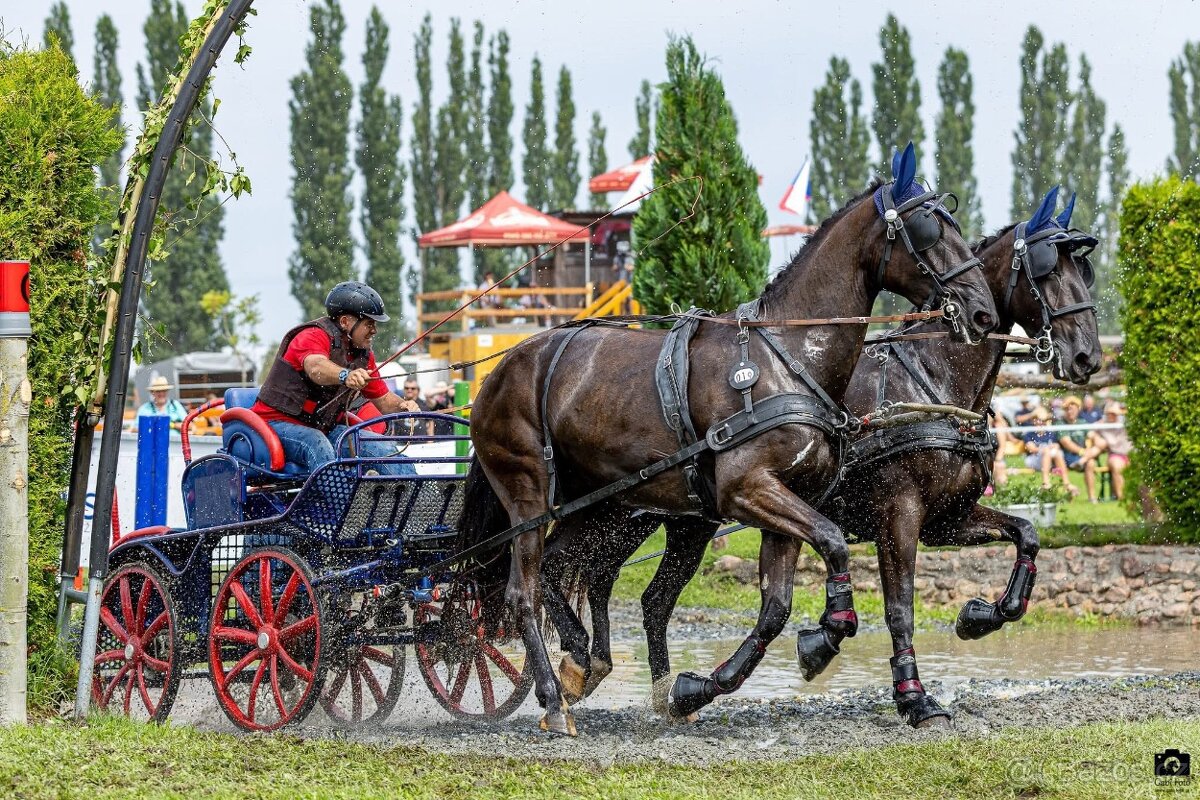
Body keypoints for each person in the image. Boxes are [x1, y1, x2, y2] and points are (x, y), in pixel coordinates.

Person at [250, 281, 418, 476]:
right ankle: (346, 504)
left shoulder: (364, 356)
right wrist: (345, 375)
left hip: (322, 429)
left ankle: (416, 500)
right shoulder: (312, 335)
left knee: (378, 447)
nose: (374, 331)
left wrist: (404, 406)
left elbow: (384, 400)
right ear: (346, 322)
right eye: (369, 324)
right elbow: (315, 367)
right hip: (274, 425)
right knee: (316, 443)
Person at [1058, 396, 1102, 502]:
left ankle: (1092, 497)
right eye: (1067, 409)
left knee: (1094, 457)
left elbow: (1093, 435)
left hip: (1082, 457)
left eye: (1072, 408)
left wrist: (1097, 441)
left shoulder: (1082, 422)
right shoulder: (1060, 423)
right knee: (1091, 460)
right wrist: (1083, 451)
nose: (1070, 411)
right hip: (1067, 458)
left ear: (1078, 409)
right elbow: (1066, 443)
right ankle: (1083, 461)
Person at [1023, 407, 1076, 494]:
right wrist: (1045, 448)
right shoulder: (1029, 434)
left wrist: (1055, 446)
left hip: (1049, 460)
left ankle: (1066, 483)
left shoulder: (1050, 434)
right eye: (1039, 420)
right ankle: (1046, 482)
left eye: (1043, 420)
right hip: (1034, 460)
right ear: (1034, 420)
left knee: (1058, 453)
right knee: (1047, 451)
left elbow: (1057, 445)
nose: (1041, 423)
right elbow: (1031, 449)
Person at [1093, 402, 1133, 501]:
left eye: (1114, 413)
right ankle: (1122, 497)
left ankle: (1136, 496)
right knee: (1117, 466)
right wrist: (1096, 437)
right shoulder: (1102, 425)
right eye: (1109, 413)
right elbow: (1090, 431)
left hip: (1131, 455)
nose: (1112, 415)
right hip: (1115, 455)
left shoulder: (1124, 423)